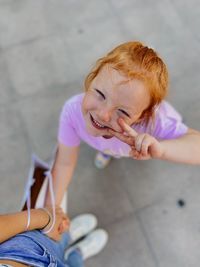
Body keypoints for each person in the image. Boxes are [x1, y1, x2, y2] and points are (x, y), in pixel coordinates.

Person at [45, 41, 200, 206]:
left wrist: (161, 150)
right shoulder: (72, 111)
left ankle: (109, 151)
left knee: (112, 145)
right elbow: (64, 162)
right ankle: (107, 152)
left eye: (124, 112)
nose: (103, 115)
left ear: (141, 117)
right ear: (91, 80)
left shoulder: (155, 122)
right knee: (109, 146)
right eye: (99, 94)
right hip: (115, 145)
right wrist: (50, 208)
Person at [0, 207, 108, 267]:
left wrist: (45, 220)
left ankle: (67, 235)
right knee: (75, 263)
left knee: (58, 235)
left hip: (26, 252)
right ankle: (75, 254)